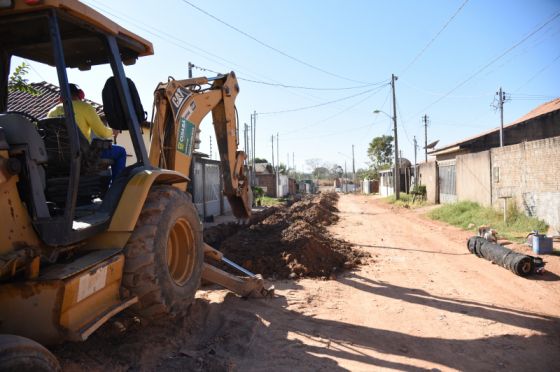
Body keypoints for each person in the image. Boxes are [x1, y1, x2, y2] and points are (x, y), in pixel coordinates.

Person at [47, 83, 126, 182]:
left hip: (59, 158)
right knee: (121, 152)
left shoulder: (51, 112)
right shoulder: (85, 107)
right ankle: (116, 187)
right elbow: (102, 133)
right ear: (79, 95)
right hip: (83, 155)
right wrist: (113, 131)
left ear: (61, 98)